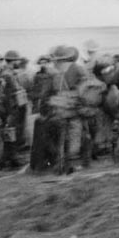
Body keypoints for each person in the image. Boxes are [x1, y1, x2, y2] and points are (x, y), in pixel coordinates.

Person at [31, 45, 87, 174]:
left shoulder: (53, 74)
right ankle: (70, 164)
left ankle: (60, 165)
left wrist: (45, 111)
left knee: (60, 140)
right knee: (74, 137)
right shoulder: (78, 69)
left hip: (58, 112)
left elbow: (45, 95)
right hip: (73, 111)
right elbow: (84, 91)